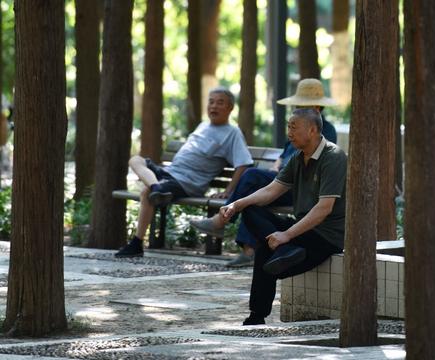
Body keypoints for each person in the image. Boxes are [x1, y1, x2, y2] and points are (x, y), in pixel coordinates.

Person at [189, 78, 338, 268]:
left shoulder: (326, 130)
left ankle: (222, 220)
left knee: (251, 175)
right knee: (252, 202)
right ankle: (249, 251)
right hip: (283, 183)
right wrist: (277, 166)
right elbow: (285, 155)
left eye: (304, 105)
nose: (299, 108)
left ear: (317, 107)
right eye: (299, 104)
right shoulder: (298, 126)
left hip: (301, 189)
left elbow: (312, 160)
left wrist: (283, 171)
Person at [217, 108, 346, 325]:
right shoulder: (297, 158)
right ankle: (258, 313)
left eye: (294, 127)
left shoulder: (333, 157)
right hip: (302, 230)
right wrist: (236, 204)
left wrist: (286, 235)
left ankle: (257, 316)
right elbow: (271, 190)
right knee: (252, 211)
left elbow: (324, 209)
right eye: (288, 126)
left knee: (266, 249)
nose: (289, 132)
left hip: (326, 236)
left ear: (313, 129)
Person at [115, 88, 253, 258]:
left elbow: (244, 164)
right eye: (211, 101)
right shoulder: (203, 125)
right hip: (170, 173)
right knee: (135, 160)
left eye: (220, 102)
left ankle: (137, 243)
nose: (213, 106)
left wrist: (228, 191)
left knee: (146, 193)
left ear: (230, 108)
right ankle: (157, 187)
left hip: (187, 182)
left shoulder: (233, 133)